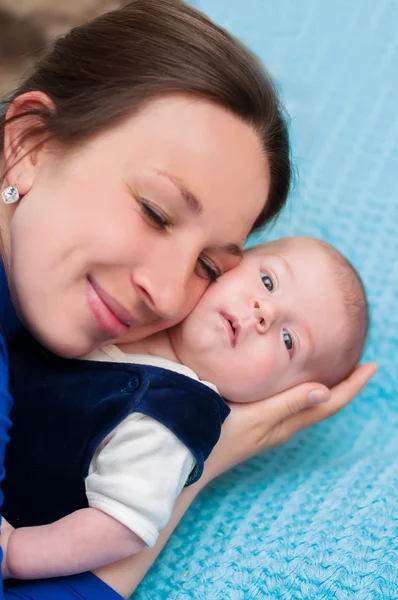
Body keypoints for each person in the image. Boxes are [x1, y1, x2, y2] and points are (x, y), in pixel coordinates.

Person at [0, 0, 376, 598]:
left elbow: (123, 517)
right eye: (155, 211)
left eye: (208, 265)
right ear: (30, 145)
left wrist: (199, 460)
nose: (170, 291)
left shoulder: (168, 413)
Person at [2, 236, 369, 581]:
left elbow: (121, 526)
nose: (265, 312)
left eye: (289, 341)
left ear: (278, 395)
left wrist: (18, 552)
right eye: (268, 281)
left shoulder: (173, 418)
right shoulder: (132, 303)